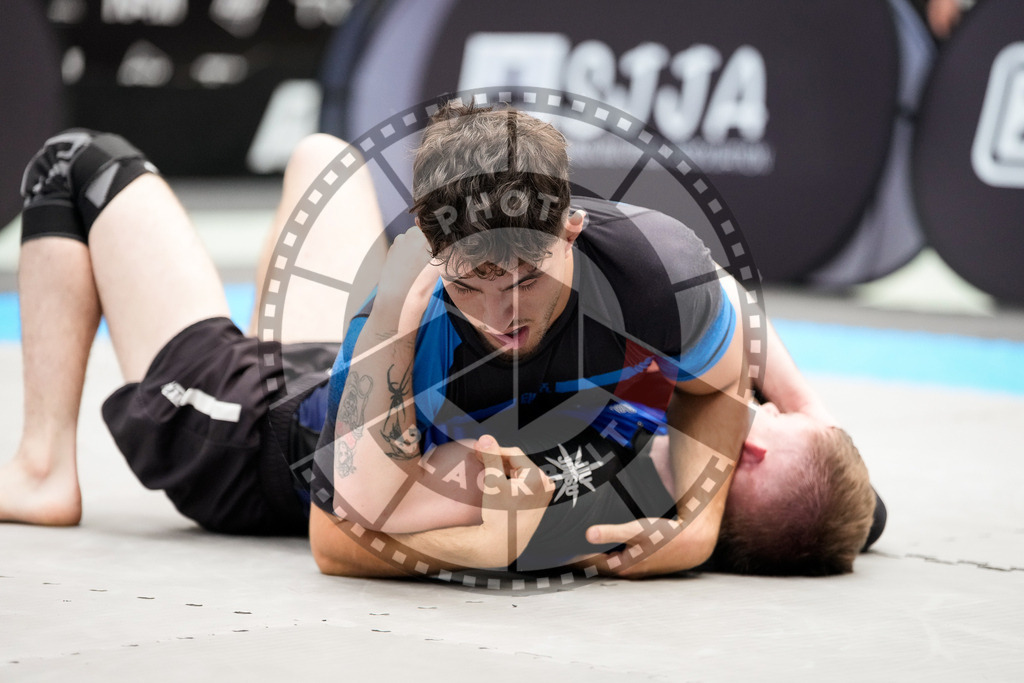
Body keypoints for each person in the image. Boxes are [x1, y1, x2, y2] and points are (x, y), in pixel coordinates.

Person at [0, 115, 880, 578]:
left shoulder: (659, 281)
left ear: (571, 230)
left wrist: (691, 530)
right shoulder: (408, 313)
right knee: (324, 156)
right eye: (472, 283)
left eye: (526, 280)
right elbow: (726, 369)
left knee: (76, 162)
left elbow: (337, 539)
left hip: (245, 436)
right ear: (425, 241)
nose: (503, 314)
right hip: (337, 395)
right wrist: (707, 519)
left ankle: (42, 469)